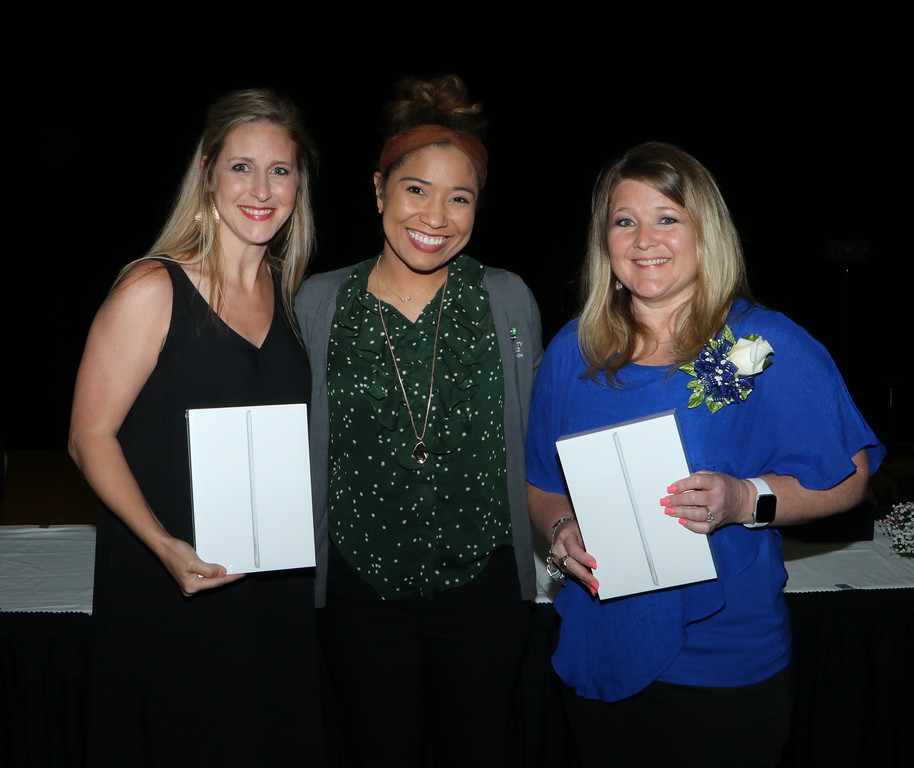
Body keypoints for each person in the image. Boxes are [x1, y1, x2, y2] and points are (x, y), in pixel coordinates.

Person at [525, 141, 886, 768]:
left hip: (723, 666)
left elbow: (850, 479)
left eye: (668, 218)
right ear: (603, 241)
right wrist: (559, 529)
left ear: (705, 233)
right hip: (598, 650)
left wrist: (745, 498)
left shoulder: (764, 343)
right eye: (624, 221)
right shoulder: (572, 351)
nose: (645, 239)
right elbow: (539, 483)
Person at [68, 87, 327, 767]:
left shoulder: (291, 298)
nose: (262, 188)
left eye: (280, 169)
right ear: (208, 173)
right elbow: (88, 436)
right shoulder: (153, 288)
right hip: (171, 583)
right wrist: (163, 546)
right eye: (241, 167)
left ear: (299, 183)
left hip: (269, 589)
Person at [294, 73, 542, 768]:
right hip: (357, 586)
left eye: (459, 197)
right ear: (378, 191)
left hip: (484, 588)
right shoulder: (319, 302)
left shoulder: (507, 299)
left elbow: (538, 432)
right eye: (416, 190)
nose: (436, 215)